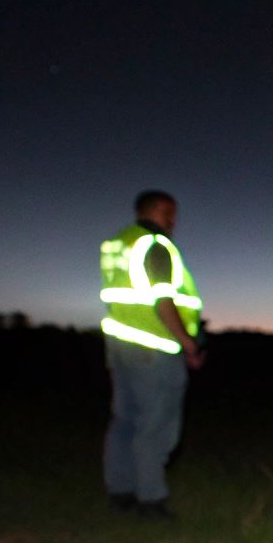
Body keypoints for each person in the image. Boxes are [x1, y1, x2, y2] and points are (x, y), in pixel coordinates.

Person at [99, 190, 205, 519]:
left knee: (125, 422)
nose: (174, 222)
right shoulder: (154, 245)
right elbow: (163, 301)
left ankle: (121, 493)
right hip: (154, 350)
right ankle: (151, 501)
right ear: (157, 210)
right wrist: (189, 343)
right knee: (156, 426)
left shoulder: (118, 243)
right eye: (170, 213)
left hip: (121, 347)